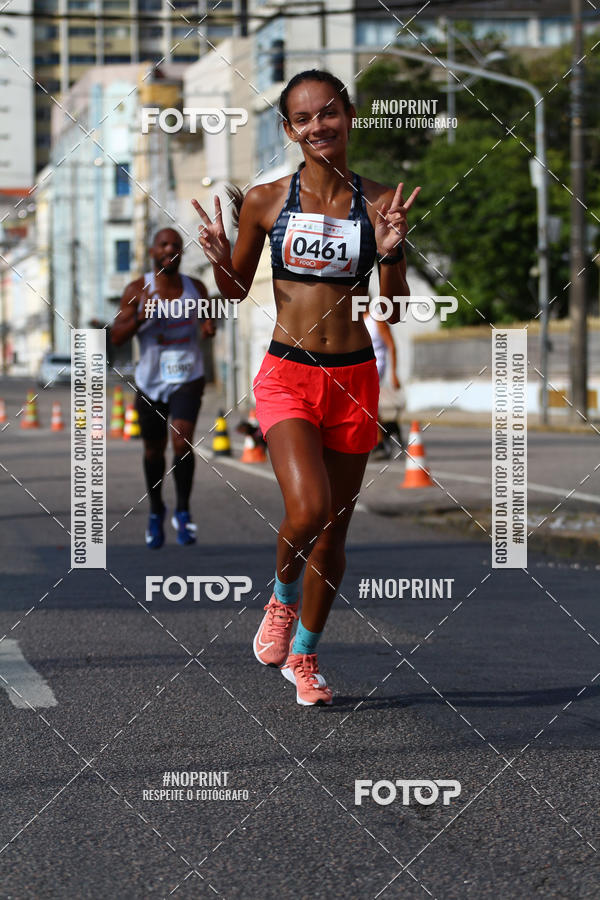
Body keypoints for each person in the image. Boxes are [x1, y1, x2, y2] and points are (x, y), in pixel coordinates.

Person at [192, 69, 419, 706]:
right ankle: (282, 598)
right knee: (309, 509)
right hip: (287, 374)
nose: (317, 126)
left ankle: (306, 657)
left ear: (349, 116)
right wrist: (217, 261)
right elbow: (235, 292)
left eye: (329, 113)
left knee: (335, 531)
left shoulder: (381, 202)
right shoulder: (266, 201)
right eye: (303, 118)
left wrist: (394, 253)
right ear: (289, 130)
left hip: (353, 379)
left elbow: (393, 310)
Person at [111, 227, 215, 548]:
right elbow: (116, 336)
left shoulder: (195, 287)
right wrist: (141, 317)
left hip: (187, 376)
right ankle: (156, 510)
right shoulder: (137, 289)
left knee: (182, 443)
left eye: (176, 245)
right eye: (163, 245)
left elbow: (208, 320)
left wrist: (208, 326)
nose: (170, 249)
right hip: (150, 381)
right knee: (153, 450)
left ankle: (183, 511)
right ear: (153, 250)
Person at [362, 307, 401, 459]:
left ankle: (379, 442)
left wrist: (394, 373)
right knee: (367, 404)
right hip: (362, 366)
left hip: (377, 365)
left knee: (366, 402)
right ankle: (386, 433)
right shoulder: (356, 320)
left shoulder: (376, 318)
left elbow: (391, 345)